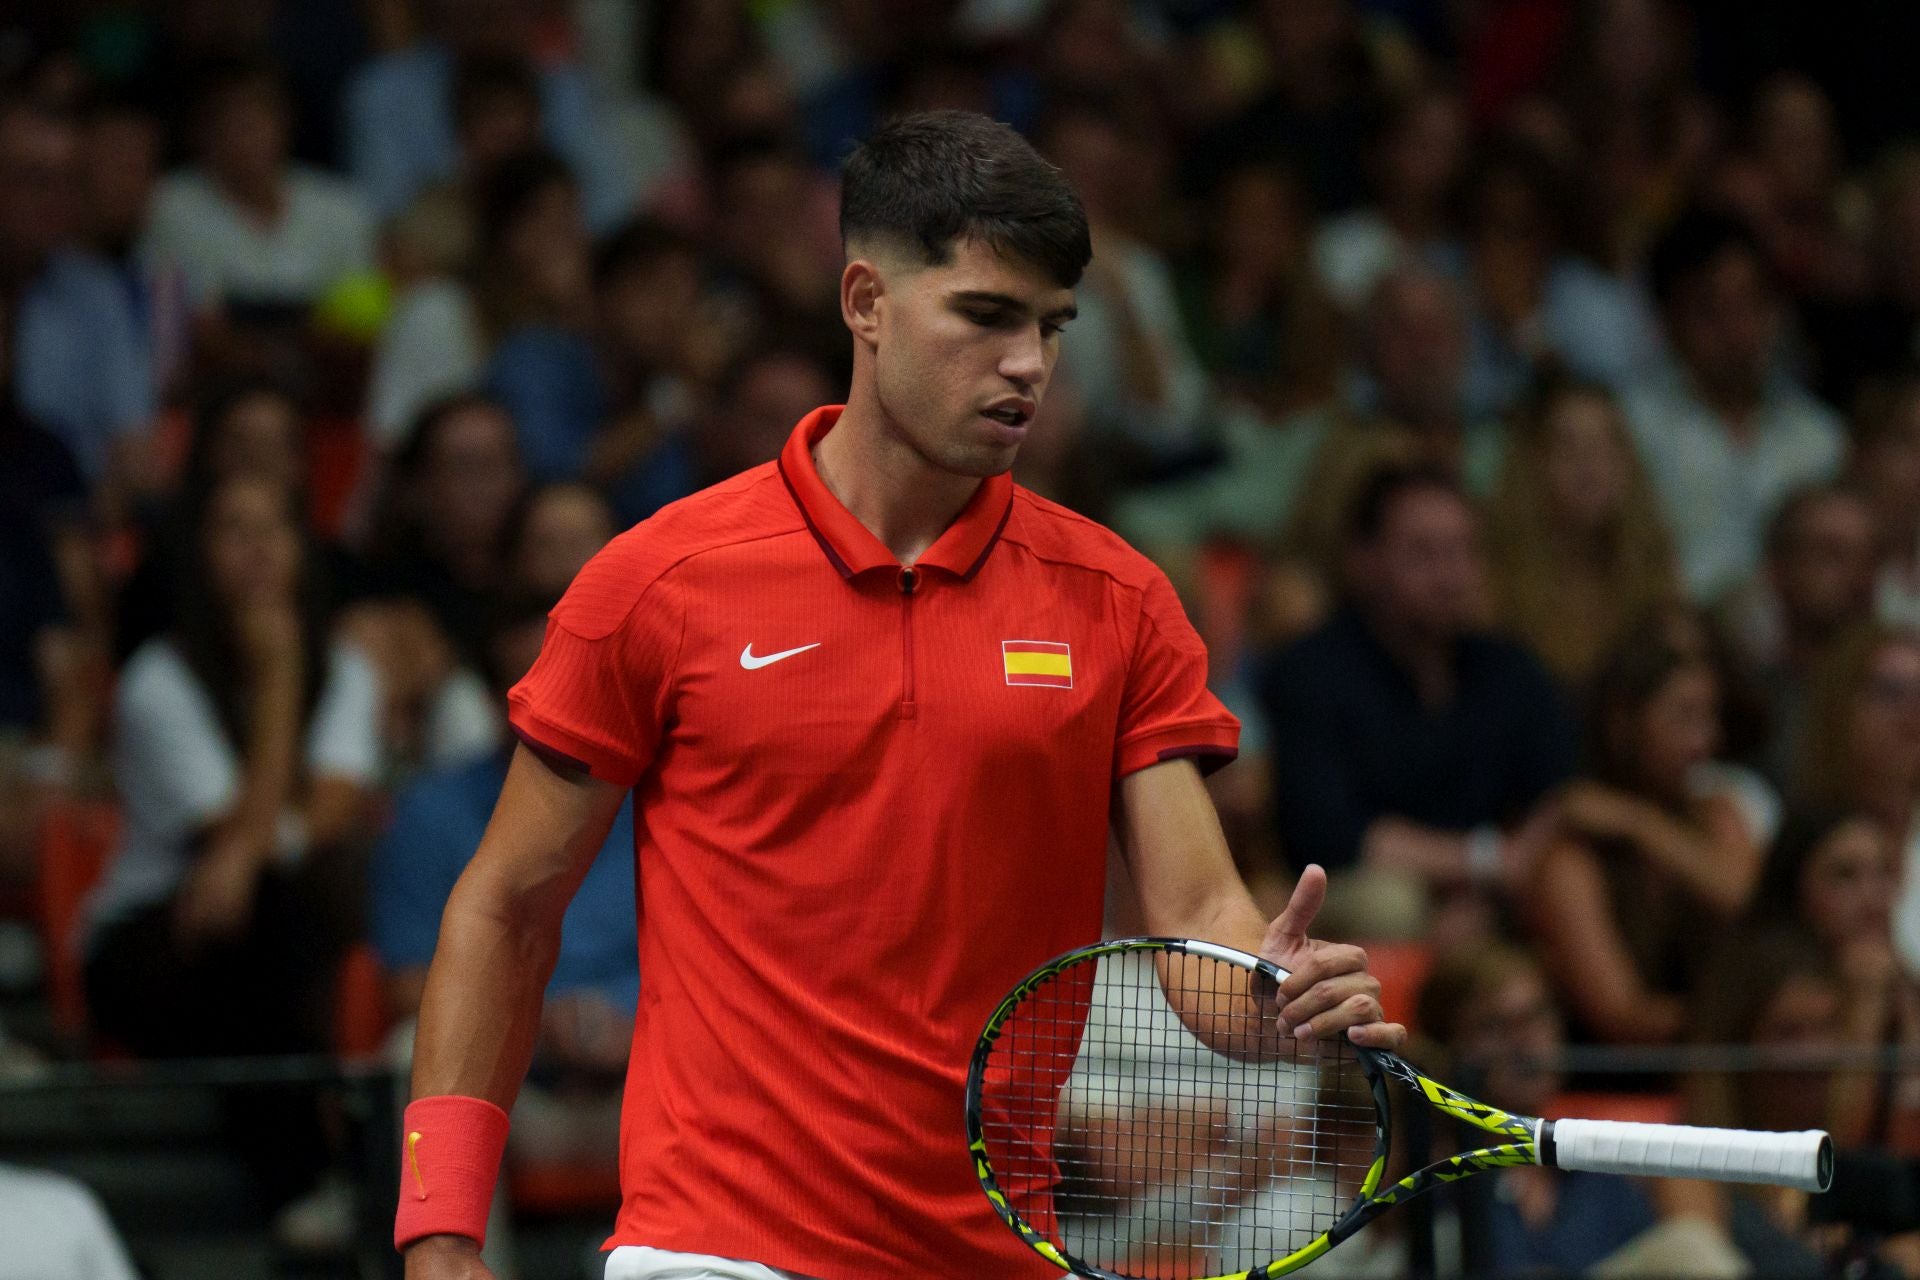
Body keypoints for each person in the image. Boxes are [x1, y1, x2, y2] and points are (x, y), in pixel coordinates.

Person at [397, 110, 1400, 1280]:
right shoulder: (658, 582)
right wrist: (441, 1227)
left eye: (1051, 326)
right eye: (985, 315)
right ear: (865, 302)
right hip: (717, 1250)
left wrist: (1266, 992)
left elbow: (1198, 917)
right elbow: (504, 905)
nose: (1027, 362)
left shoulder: (1118, 600)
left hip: (1002, 1253)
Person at [1255, 463, 1577, 939]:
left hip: (1490, 894)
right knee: (1390, 903)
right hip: (1358, 893)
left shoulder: (1506, 666)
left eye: (1463, 552)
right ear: (1362, 559)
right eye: (1424, 554)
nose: (1451, 576)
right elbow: (1332, 837)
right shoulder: (1312, 671)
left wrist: (1495, 882)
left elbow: (1560, 793)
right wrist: (1483, 862)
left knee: (1569, 874)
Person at [1524, 622, 1760, 1049]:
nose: (1707, 741)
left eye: (1710, 717)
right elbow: (1621, 1016)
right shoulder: (1572, 857)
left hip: (1714, 1065)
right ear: (1622, 724)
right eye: (1686, 717)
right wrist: (1748, 1023)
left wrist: (1640, 824)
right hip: (1616, 1085)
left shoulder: (1716, 813)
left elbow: (1752, 902)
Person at [1622, 207, 1845, 602]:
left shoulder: (1820, 436)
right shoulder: (1631, 427)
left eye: (1749, 303)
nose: (1735, 329)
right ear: (1668, 320)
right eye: (1709, 309)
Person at [1486, 376, 1678, 688]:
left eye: (1604, 446)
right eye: (1567, 447)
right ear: (1533, 462)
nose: (1589, 467)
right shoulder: (1493, 578)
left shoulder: (1653, 567)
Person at [1721, 483, 1879, 789]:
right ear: (1777, 569)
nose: (1857, 573)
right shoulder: (1745, 705)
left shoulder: (1906, 700)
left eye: (1868, 557)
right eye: (1831, 554)